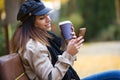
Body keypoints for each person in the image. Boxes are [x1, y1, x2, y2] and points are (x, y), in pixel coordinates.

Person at [10, 0, 120, 80]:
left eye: (47, 15)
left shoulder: (41, 40)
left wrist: (68, 44)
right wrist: (68, 53)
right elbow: (51, 78)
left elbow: (62, 68)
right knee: (116, 76)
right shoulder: (33, 47)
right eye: (42, 18)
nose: (48, 19)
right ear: (31, 24)